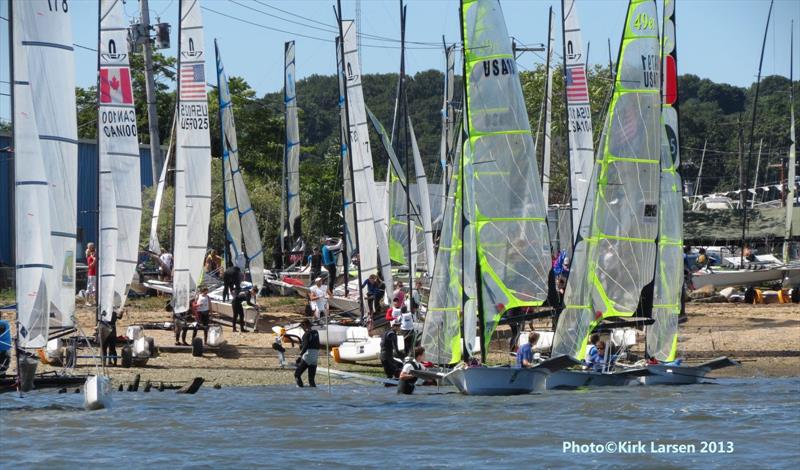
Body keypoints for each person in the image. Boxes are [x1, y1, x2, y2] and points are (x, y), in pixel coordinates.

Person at [295, 320, 320, 387]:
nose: (302, 329)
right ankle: (313, 394)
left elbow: (305, 346)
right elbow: (316, 344)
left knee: (297, 375)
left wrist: (300, 357)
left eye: (302, 327)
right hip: (315, 356)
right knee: (311, 379)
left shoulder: (306, 334)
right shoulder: (316, 332)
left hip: (308, 355)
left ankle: (301, 391)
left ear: (305, 325)